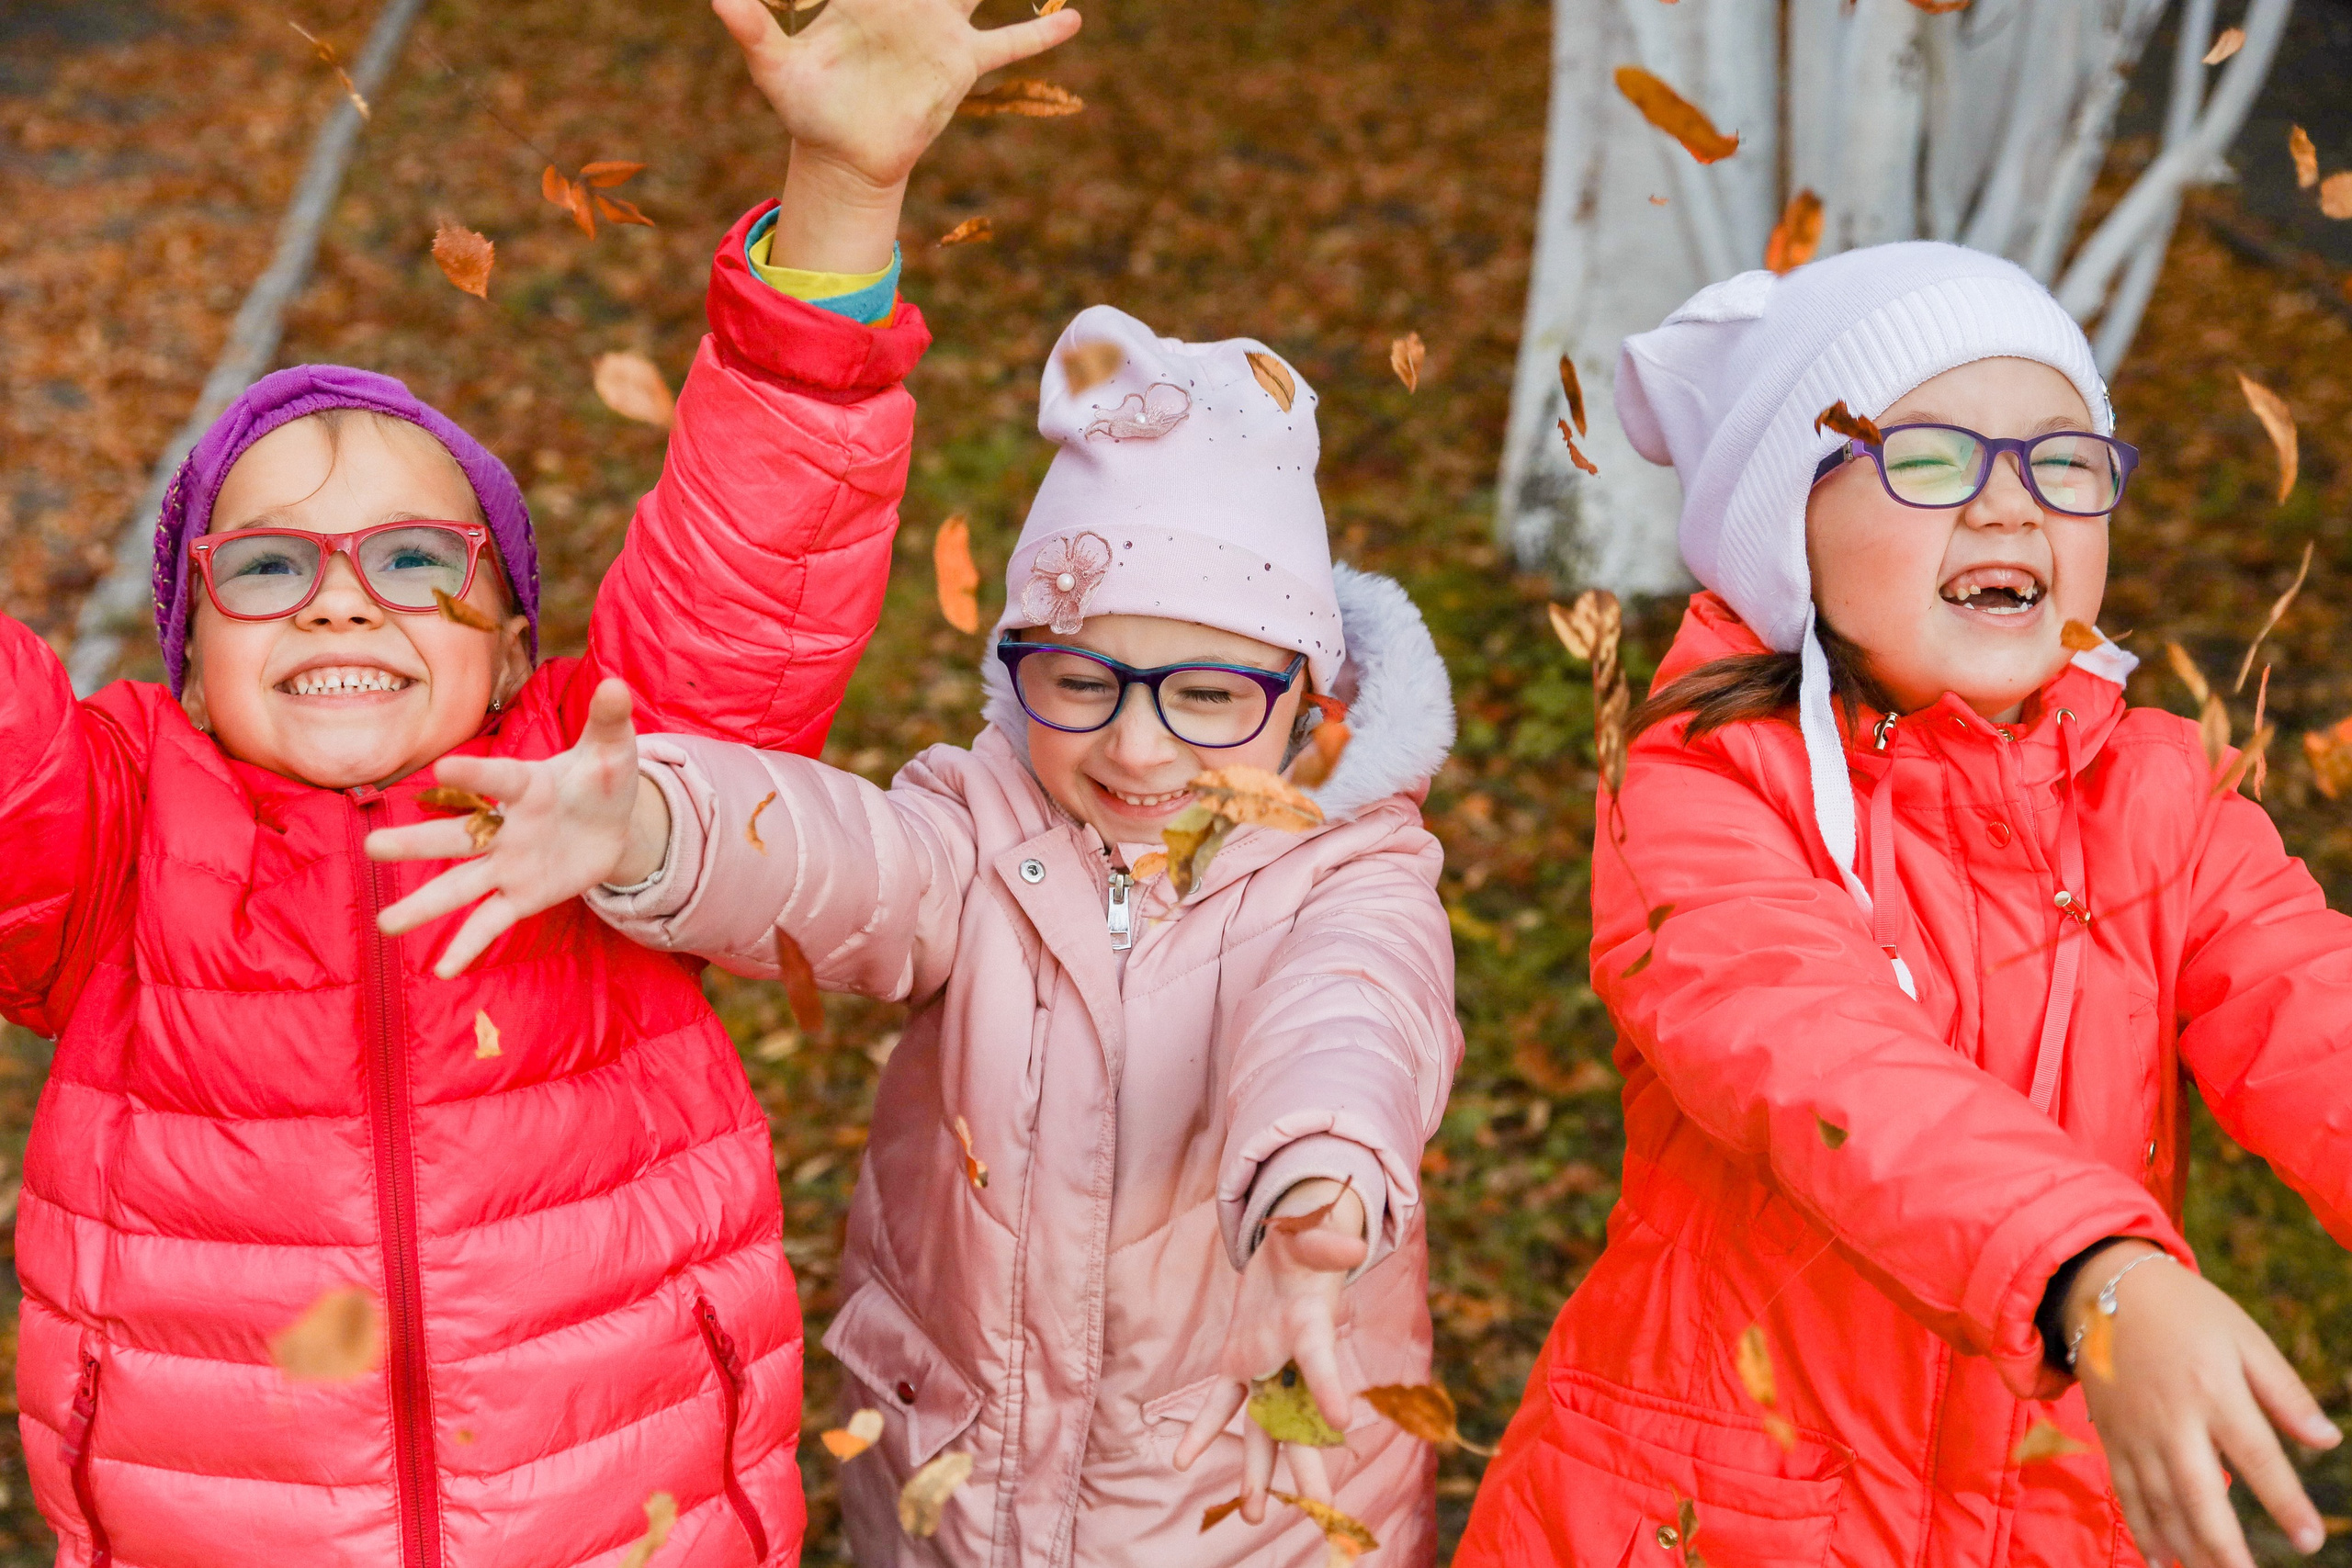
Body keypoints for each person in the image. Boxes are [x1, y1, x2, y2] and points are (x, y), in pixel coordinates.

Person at [0, 0, 1080, 1559]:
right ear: (188, 656)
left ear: (512, 648)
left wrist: (845, 194)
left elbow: (752, 550)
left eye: (416, 558)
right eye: (272, 564)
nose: (343, 597)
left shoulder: (602, 782)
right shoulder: (107, 831)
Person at [368, 299, 1466, 1564]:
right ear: (1017, 670)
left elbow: (1352, 1012)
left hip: (1243, 1498)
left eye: (1208, 697)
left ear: (1306, 703)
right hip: (965, 1477)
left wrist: (1322, 1184)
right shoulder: (985, 825)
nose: (1138, 743)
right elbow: (849, 864)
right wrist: (655, 828)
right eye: (1082, 680)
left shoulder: (1353, 873)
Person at [1451, 243, 2352, 1568]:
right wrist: (2094, 1278)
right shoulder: (1700, 793)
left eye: (2063, 461)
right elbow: (1827, 1068)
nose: (2010, 509)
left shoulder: (2163, 799)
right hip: (1715, 1518)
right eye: (1930, 461)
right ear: (1787, 528)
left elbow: (2307, 1007)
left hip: (2043, 1517)